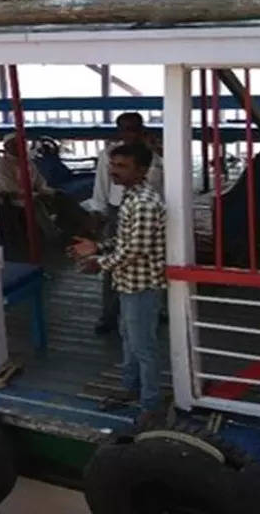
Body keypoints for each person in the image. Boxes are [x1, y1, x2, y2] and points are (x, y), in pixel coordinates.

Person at [67, 142, 167, 428]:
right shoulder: (132, 197)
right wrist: (97, 246)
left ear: (143, 170)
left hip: (142, 285)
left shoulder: (145, 203)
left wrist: (98, 260)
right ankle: (130, 387)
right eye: (113, 165)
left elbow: (134, 250)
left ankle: (151, 405)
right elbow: (124, 243)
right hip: (128, 282)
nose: (114, 171)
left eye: (122, 166)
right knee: (128, 338)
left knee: (143, 346)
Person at [86, 113, 164, 335]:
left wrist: (158, 150)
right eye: (125, 129)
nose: (129, 133)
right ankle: (109, 315)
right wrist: (98, 212)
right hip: (118, 209)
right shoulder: (109, 155)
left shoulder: (154, 156)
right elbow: (101, 185)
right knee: (115, 263)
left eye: (134, 129)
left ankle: (154, 309)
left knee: (152, 262)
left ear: (142, 130)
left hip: (150, 210)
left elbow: (172, 180)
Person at [0, 133, 91, 241]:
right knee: (36, 203)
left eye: (22, 144)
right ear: (7, 147)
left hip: (31, 194)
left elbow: (40, 183)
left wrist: (49, 192)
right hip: (12, 198)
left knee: (61, 196)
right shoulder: (2, 165)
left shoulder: (29, 163)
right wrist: (36, 195)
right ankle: (53, 234)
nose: (20, 146)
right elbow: (10, 188)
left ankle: (83, 223)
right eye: (15, 144)